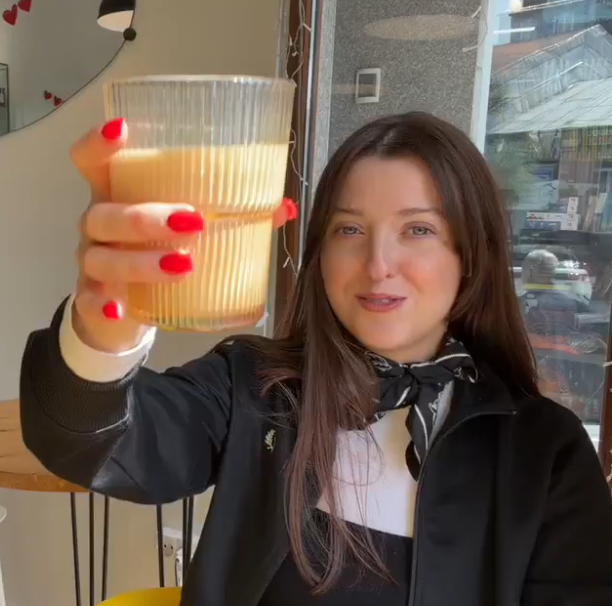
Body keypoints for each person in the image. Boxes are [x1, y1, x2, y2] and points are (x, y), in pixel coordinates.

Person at [20, 112, 612, 606]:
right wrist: (103, 322)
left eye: (418, 230)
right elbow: (91, 438)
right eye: (349, 230)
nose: (378, 265)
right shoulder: (255, 387)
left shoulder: (544, 452)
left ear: (471, 254)